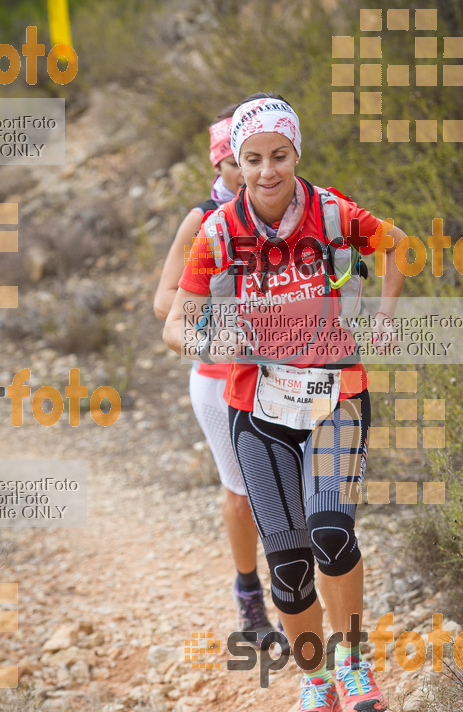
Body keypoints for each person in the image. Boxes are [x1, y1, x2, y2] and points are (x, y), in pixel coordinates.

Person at [163, 93, 407, 712]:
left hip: (335, 393)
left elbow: (398, 245)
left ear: (296, 152)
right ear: (234, 167)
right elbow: (175, 322)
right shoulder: (218, 231)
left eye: (279, 155)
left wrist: (383, 319)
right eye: (253, 159)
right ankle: (315, 680)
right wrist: (212, 340)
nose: (268, 170)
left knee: (332, 532)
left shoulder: (332, 212)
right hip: (258, 406)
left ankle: (353, 659)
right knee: (291, 565)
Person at [153, 104, 276, 645]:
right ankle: (250, 599)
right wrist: (232, 328)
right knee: (243, 490)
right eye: (235, 162)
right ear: (222, 164)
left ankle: (302, 594)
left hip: (283, 371)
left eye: (256, 160)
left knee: (291, 486)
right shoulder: (203, 219)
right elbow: (164, 305)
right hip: (218, 376)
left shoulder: (292, 211)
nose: (247, 173)